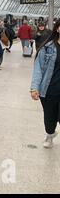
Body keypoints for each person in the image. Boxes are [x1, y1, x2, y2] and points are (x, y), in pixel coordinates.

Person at [30, 20, 60, 148]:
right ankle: (50, 134)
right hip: (49, 89)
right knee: (50, 116)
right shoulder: (48, 47)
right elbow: (38, 68)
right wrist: (34, 88)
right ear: (57, 29)